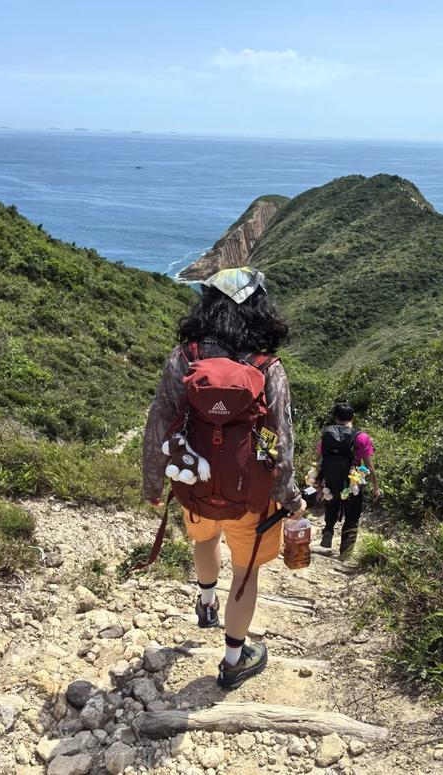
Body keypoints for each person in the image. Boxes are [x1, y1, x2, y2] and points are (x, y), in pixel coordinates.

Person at [142, 267, 306, 690]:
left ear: (208, 305)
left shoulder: (185, 357)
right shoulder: (268, 366)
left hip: (194, 483)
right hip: (250, 495)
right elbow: (282, 438)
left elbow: (159, 419)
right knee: (246, 573)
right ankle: (234, 660)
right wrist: (288, 497)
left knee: (204, 539)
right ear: (259, 309)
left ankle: (205, 601)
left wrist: (153, 482)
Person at [317, 402, 380, 557]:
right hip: (354, 482)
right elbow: (369, 466)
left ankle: (329, 530)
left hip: (330, 479)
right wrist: (375, 487)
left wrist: (317, 480)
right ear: (353, 416)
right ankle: (345, 553)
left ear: (335, 417)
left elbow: (318, 459)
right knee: (352, 516)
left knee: (331, 504)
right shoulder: (361, 437)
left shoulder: (326, 434)